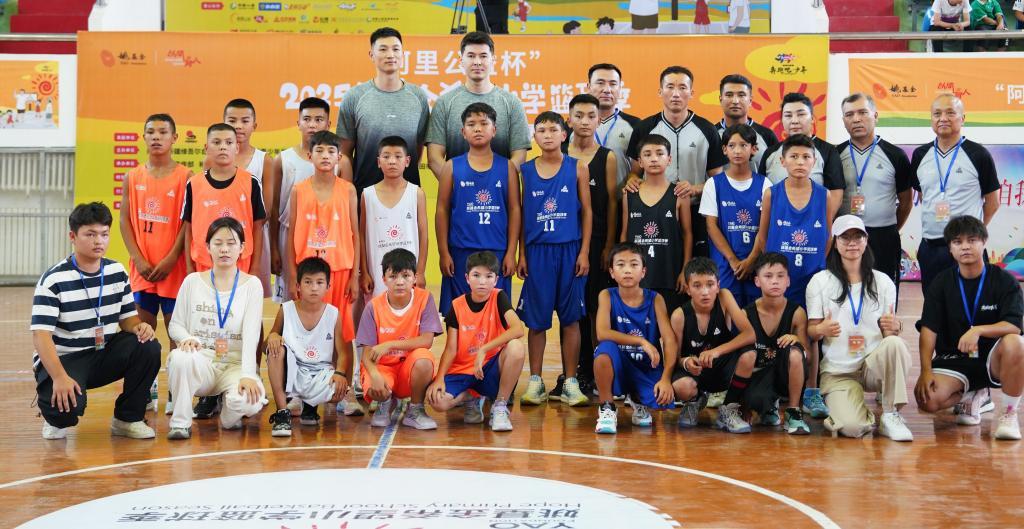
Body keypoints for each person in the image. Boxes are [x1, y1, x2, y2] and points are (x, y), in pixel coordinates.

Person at [32, 202, 160, 440]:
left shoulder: (116, 272)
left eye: (104, 234)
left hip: (103, 352)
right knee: (64, 414)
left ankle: (127, 419)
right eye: (90, 234)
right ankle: (52, 413)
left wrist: (139, 326)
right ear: (72, 236)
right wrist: (59, 377)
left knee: (148, 346)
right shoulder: (53, 280)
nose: (98, 241)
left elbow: (128, 319)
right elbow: (41, 335)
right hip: (66, 359)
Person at [915, 215, 1024, 441]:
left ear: (984, 242)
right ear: (950, 248)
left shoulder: (1004, 281)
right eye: (957, 242)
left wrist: (978, 330)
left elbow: (1013, 326)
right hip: (955, 358)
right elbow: (928, 329)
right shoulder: (941, 283)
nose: (965, 246)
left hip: (992, 359)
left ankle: (1009, 414)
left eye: (972, 240)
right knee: (927, 400)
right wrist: (925, 370)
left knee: (1016, 343)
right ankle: (973, 394)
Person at [806, 216, 913, 441]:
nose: (852, 243)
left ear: (866, 240)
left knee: (895, 344)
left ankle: (890, 414)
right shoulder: (820, 281)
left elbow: (888, 335)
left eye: (858, 236)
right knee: (852, 428)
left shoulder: (883, 282)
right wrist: (821, 329)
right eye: (845, 237)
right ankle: (853, 410)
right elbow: (811, 331)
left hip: (871, 365)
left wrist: (895, 327)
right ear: (835, 242)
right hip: (838, 372)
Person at [166, 217, 267, 440]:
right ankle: (181, 423)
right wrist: (186, 338)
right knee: (180, 357)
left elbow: (252, 335)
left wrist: (248, 375)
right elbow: (175, 325)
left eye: (231, 243)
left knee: (252, 400)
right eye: (218, 243)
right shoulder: (192, 282)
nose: (224, 249)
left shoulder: (252, 285)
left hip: (234, 365)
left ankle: (229, 416)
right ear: (208, 247)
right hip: (201, 361)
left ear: (242, 247)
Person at [517, 111, 592, 407]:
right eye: (541, 130)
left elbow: (587, 212)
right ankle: (535, 381)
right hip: (538, 252)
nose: (547, 135)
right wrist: (522, 253)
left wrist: (584, 251)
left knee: (571, 320)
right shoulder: (525, 171)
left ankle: (571, 381)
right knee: (537, 321)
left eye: (553, 130)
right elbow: (521, 215)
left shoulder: (577, 167)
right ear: (534, 136)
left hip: (570, 251)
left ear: (564, 134)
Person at [284, 130, 361, 413]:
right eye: (320, 151)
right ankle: (296, 391)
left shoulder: (348, 190)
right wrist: (292, 276)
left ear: (340, 157)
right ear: (309, 155)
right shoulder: (298, 190)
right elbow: (291, 233)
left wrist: (355, 275)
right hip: (308, 274)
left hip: (339, 271)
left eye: (331, 151)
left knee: (344, 332)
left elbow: (355, 234)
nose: (325, 156)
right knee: (301, 332)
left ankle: (346, 391)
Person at [755, 134, 831, 418]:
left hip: (811, 277)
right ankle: (774, 389)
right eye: (794, 157)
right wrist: (773, 272)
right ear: (782, 161)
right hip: (780, 279)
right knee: (775, 332)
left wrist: (816, 267)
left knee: (811, 335)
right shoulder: (772, 193)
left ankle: (811, 391)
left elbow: (828, 238)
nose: (800, 162)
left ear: (814, 161)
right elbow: (763, 236)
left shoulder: (824, 195)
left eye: (806, 157)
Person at [119, 113, 190, 414]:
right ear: (144, 137)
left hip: (174, 269)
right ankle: (145, 389)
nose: (157, 137)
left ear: (174, 138)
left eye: (163, 132)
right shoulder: (132, 176)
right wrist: (137, 257)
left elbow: (188, 223)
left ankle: (176, 390)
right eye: (151, 132)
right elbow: (124, 220)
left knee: (176, 333)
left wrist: (172, 257)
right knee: (142, 332)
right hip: (143, 270)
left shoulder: (186, 177)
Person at [626, 66, 725, 258]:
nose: (676, 94)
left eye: (682, 87)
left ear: (692, 93)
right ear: (660, 91)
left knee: (695, 266)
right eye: (670, 87)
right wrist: (631, 180)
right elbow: (634, 172)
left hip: (697, 211)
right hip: (653, 211)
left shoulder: (707, 130)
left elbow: (718, 182)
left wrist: (694, 189)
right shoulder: (644, 128)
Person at [559, 94, 619, 398]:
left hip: (595, 243)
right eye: (579, 115)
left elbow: (612, 203)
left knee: (595, 307)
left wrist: (609, 245)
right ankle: (572, 373)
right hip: (564, 242)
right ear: (569, 119)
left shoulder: (607, 157)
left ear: (599, 120)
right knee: (570, 310)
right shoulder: (558, 152)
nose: (584, 121)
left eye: (591, 116)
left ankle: (596, 371)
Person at [436, 102, 521, 316]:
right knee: (459, 316)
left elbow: (514, 209)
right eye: (471, 124)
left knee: (496, 316)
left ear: (494, 130)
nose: (477, 129)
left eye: (484, 123)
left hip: (497, 252)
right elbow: (442, 210)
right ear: (463, 132)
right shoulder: (451, 166)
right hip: (460, 252)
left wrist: (511, 252)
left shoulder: (508, 167)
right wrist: (444, 252)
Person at [909, 94, 999, 295]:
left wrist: (973, 233)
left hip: (966, 248)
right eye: (937, 114)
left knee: (971, 303)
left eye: (950, 113)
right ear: (931, 119)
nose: (943, 118)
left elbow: (993, 202)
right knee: (934, 303)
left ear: (962, 118)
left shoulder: (978, 154)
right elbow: (924, 195)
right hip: (930, 247)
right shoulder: (920, 155)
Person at [427, 251, 526, 431]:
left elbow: (518, 329)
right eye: (476, 275)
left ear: (496, 280)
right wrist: (439, 378)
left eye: (488, 276)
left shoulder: (499, 297)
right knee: (437, 401)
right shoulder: (457, 305)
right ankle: (471, 396)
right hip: (463, 370)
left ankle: (500, 406)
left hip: (489, 368)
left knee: (516, 347)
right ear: (467, 278)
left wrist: (484, 349)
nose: (482, 281)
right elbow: (450, 349)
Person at [268, 97, 349, 302]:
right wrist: (275, 248)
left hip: (331, 239)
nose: (312, 124)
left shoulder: (342, 163)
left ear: (328, 124)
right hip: (292, 237)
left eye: (319, 119)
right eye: (307, 119)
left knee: (326, 298)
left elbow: (347, 211)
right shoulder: (283, 159)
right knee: (291, 297)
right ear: (298, 123)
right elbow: (274, 208)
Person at [593, 243, 676, 434]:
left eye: (634, 264)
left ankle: (638, 399)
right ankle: (607, 407)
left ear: (643, 271)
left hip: (645, 367)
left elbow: (670, 340)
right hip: (620, 365)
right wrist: (641, 341)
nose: (627, 270)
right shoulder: (606, 295)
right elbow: (602, 333)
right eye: (621, 265)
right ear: (612, 272)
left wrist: (666, 378)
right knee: (604, 351)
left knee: (663, 402)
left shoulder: (656, 299)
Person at [357, 249, 444, 430]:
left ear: (415, 278)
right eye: (393, 276)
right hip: (383, 368)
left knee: (424, 359)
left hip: (408, 371)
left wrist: (389, 345)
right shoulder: (373, 307)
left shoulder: (424, 299)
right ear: (384, 279)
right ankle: (385, 403)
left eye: (405, 276)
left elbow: (427, 340)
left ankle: (415, 410)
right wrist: (375, 375)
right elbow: (366, 354)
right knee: (376, 387)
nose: (400, 282)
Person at [426, 31, 531, 179]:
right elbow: (434, 158)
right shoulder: (444, 103)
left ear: (493, 60)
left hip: (500, 190)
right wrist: (458, 185)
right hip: (456, 190)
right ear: (461, 60)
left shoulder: (513, 103)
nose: (477, 62)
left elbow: (519, 156)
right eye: (471, 56)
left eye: (483, 56)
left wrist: (495, 184)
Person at [337, 27, 430, 193]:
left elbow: (417, 148)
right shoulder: (354, 97)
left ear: (403, 54)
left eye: (396, 49)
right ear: (371, 55)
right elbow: (344, 154)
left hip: (407, 194)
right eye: (383, 49)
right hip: (364, 194)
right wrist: (349, 195)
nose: (390, 55)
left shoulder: (419, 97)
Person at [670, 257, 757, 434]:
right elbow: (674, 358)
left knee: (749, 354)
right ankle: (694, 401)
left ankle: (729, 408)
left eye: (710, 284)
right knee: (682, 386)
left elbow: (750, 334)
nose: (705, 292)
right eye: (697, 285)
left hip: (721, 366)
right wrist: (686, 362)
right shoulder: (679, 315)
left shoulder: (724, 297)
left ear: (718, 285)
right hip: (696, 371)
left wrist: (716, 351)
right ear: (687, 288)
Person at [265, 257, 350, 436]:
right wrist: (273, 336)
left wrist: (340, 373)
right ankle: (282, 413)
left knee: (338, 389)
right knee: (275, 351)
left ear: (328, 286)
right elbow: (268, 342)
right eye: (308, 282)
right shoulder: (286, 309)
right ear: (298, 286)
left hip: (320, 372)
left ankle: (310, 406)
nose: (314, 288)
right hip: (293, 370)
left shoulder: (333, 313)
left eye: (319, 282)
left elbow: (343, 352)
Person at [835, 93, 913, 287]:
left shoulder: (895, 155)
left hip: (883, 237)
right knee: (845, 290)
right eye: (849, 114)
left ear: (875, 116)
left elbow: (906, 202)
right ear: (843, 120)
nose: (856, 119)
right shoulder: (835, 155)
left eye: (862, 112)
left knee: (883, 290)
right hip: (846, 236)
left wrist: (890, 230)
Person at [181, 123, 266, 277]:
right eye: (216, 142)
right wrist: (189, 268)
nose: (223, 147)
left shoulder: (251, 182)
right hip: (203, 264)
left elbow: (257, 227)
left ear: (237, 148)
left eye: (228, 142)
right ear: (206, 148)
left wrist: (255, 268)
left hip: (241, 264)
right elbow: (188, 228)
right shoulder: (193, 184)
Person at [701, 123, 771, 308]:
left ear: (754, 149)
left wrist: (751, 260)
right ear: (724, 150)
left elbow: (765, 229)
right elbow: (711, 226)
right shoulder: (713, 184)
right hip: (725, 265)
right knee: (727, 315)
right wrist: (733, 260)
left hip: (756, 264)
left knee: (756, 314)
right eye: (732, 145)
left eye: (743, 145)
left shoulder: (765, 184)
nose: (737, 151)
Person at [621, 134, 692, 316]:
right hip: (638, 277)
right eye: (647, 154)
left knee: (670, 325)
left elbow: (687, 234)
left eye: (660, 153)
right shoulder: (629, 194)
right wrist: (623, 269)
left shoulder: (679, 194)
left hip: (670, 275)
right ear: (640, 161)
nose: (654, 159)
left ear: (669, 159)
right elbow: (624, 235)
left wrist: (685, 270)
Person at [744, 252, 811, 435]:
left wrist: (798, 342)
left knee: (796, 353)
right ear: (757, 281)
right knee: (755, 399)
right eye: (768, 276)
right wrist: (743, 405)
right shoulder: (746, 314)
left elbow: (808, 357)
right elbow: (740, 360)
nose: (775, 281)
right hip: (759, 375)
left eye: (780, 276)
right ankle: (767, 406)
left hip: (784, 375)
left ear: (788, 281)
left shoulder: (797, 313)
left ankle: (793, 413)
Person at [758, 92, 845, 220]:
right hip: (778, 225)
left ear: (812, 119)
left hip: (813, 224)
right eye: (788, 115)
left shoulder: (828, 151)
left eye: (801, 114)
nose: (794, 121)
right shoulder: (770, 153)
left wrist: (819, 224)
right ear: (782, 120)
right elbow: (761, 190)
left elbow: (836, 193)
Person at [361, 136, 428, 298]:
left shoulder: (416, 193)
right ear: (378, 162)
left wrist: (420, 272)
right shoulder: (367, 195)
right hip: (377, 275)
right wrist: (364, 272)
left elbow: (423, 235)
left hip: (409, 275)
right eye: (386, 156)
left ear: (407, 161)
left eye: (398, 156)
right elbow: (361, 235)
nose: (392, 161)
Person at [221, 98, 274, 297]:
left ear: (254, 125)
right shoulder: (212, 160)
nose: (238, 126)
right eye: (232, 120)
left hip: (254, 239)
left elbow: (266, 210)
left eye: (245, 121)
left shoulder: (264, 160)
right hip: (221, 239)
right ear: (223, 122)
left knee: (251, 299)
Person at [582, 63, 641, 192]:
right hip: (581, 200)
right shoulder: (574, 126)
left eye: (613, 84)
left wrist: (633, 177)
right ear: (588, 87)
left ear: (620, 88)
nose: (607, 90)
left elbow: (641, 165)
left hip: (621, 198)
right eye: (600, 83)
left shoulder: (635, 125)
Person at [715, 74, 778, 171]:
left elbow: (776, 172)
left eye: (741, 95)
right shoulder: (711, 134)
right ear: (720, 99)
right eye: (729, 95)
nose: (735, 101)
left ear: (750, 100)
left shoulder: (767, 136)